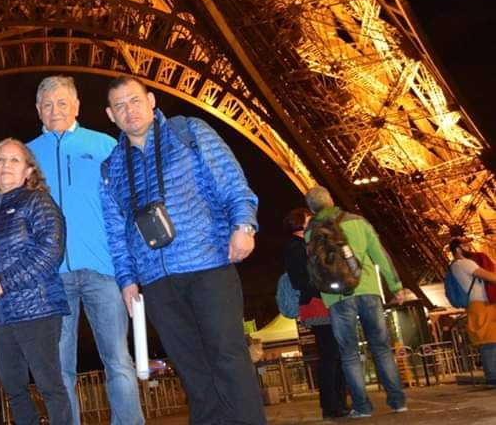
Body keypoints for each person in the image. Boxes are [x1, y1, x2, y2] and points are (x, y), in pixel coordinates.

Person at [100, 75, 265, 425]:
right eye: (119, 106)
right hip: (156, 279)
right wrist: (127, 280)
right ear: (110, 115)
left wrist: (244, 225)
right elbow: (117, 231)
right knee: (190, 367)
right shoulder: (111, 167)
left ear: (151, 100)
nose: (129, 111)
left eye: (134, 100)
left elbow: (231, 181)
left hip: (207, 262)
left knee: (228, 355)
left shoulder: (188, 132)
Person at [26, 76, 144, 425]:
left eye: (62, 102)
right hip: (52, 276)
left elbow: (128, 206)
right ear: (38, 110)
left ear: (77, 106)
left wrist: (130, 267)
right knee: (59, 367)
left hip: (103, 268)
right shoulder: (25, 155)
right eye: (48, 105)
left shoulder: (105, 145)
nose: (55, 110)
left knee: (118, 359)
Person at [0, 138, 71, 425]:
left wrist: (5, 281)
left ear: (28, 171)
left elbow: (51, 251)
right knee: (14, 389)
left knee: (50, 386)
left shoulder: (38, 201)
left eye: (14, 160)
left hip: (38, 309)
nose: (6, 165)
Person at [305, 185, 407, 417]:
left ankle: (362, 406)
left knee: (349, 354)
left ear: (311, 208)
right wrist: (395, 285)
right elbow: (380, 254)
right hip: (367, 288)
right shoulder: (358, 221)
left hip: (336, 297)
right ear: (331, 200)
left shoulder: (311, 231)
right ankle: (397, 401)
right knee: (381, 348)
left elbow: (313, 266)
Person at [281, 208, 348, 419]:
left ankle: (336, 402)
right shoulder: (296, 248)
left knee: (333, 354)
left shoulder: (301, 246)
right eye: (310, 219)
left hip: (318, 302)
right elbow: (300, 280)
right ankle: (332, 404)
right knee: (331, 354)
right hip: (317, 303)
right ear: (300, 224)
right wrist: (325, 288)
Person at [448, 238, 496, 386]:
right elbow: (490, 277)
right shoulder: (465, 263)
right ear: (458, 249)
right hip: (481, 304)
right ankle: (493, 376)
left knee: (487, 340)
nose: (470, 247)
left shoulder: (454, 266)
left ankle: (491, 375)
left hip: (474, 305)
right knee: (490, 340)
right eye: (465, 245)